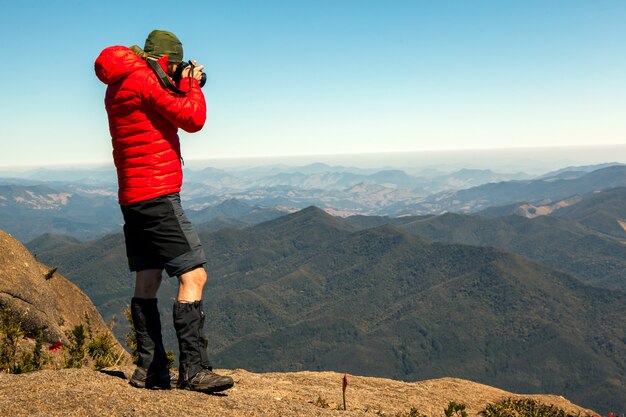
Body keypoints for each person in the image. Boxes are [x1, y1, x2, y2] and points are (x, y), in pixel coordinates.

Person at [94, 30, 233, 393]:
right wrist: (191, 84)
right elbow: (192, 118)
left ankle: (150, 369)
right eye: (175, 64)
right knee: (194, 276)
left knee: (148, 279)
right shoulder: (144, 80)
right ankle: (195, 370)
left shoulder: (120, 84)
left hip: (132, 196)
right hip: (157, 194)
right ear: (167, 61)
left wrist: (177, 80)